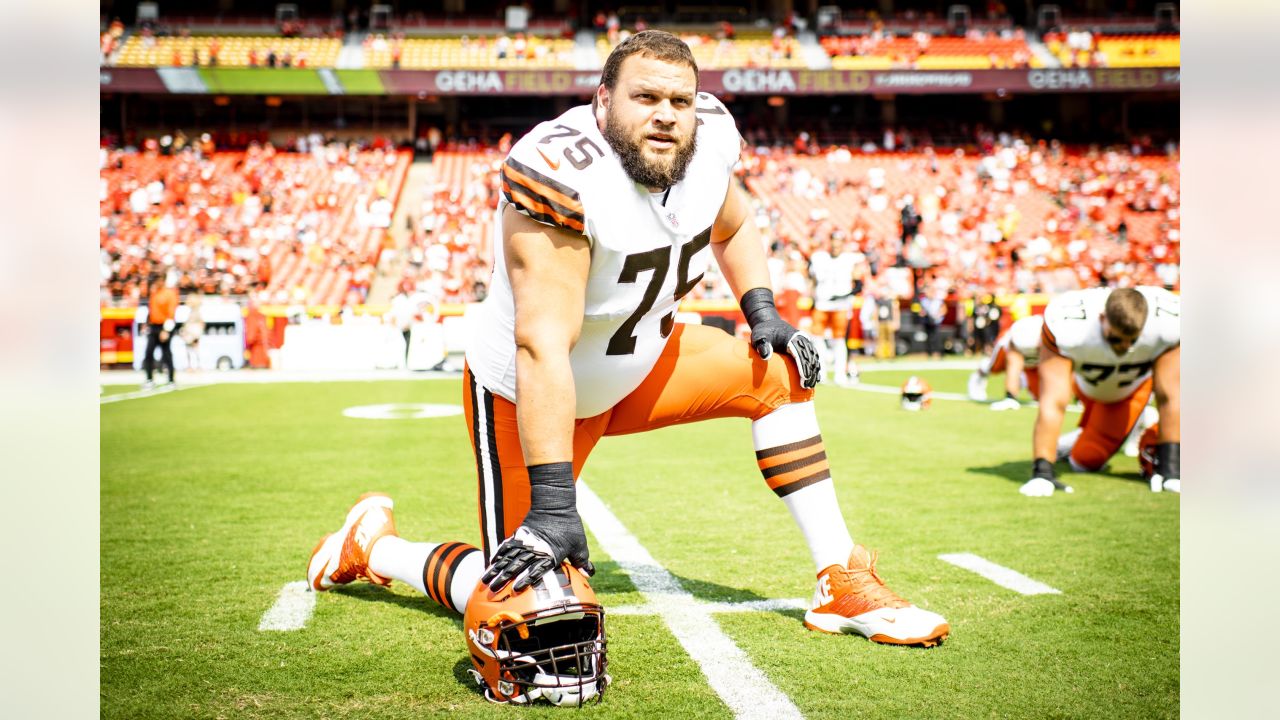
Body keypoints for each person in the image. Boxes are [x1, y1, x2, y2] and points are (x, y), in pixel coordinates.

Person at [308, 32, 949, 698]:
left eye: (680, 99)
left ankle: (839, 580)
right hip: (532, 395)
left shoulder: (705, 146)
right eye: (646, 97)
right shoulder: (562, 172)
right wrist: (555, 506)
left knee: (780, 375)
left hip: (643, 361)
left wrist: (762, 308)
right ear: (604, 100)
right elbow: (542, 346)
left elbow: (735, 223)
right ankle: (375, 548)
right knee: (529, 592)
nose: (667, 113)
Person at [1021, 286, 1180, 497]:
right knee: (1055, 401)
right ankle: (1068, 441)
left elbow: (1170, 395)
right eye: (1116, 339)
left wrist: (1171, 470)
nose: (1125, 347)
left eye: (1133, 340)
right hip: (1084, 385)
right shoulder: (1069, 324)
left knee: (1085, 460)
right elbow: (1053, 401)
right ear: (1102, 318)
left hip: (1127, 391)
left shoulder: (1168, 323)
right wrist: (1042, 472)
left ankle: (1136, 428)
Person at [808, 234, 861, 385]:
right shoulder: (819, 258)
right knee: (817, 338)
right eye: (833, 245)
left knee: (839, 340)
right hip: (822, 303)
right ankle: (821, 372)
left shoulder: (849, 260)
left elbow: (858, 284)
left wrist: (844, 296)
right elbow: (812, 280)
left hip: (840, 305)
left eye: (838, 245)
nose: (835, 248)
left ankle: (839, 374)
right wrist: (812, 296)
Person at [968, 314, 1044, 410]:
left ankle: (1023, 379)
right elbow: (1014, 362)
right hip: (1012, 350)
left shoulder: (1056, 337)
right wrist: (1010, 396)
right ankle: (981, 373)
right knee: (994, 368)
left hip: (1035, 361)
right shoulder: (1026, 333)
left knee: (1042, 397)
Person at [141, 274, 178, 389]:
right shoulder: (154, 293)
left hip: (164, 326)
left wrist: (166, 330)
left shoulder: (169, 294)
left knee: (166, 354)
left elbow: (171, 314)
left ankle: (171, 380)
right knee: (148, 354)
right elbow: (152, 311)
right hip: (153, 326)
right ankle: (149, 379)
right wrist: (146, 324)